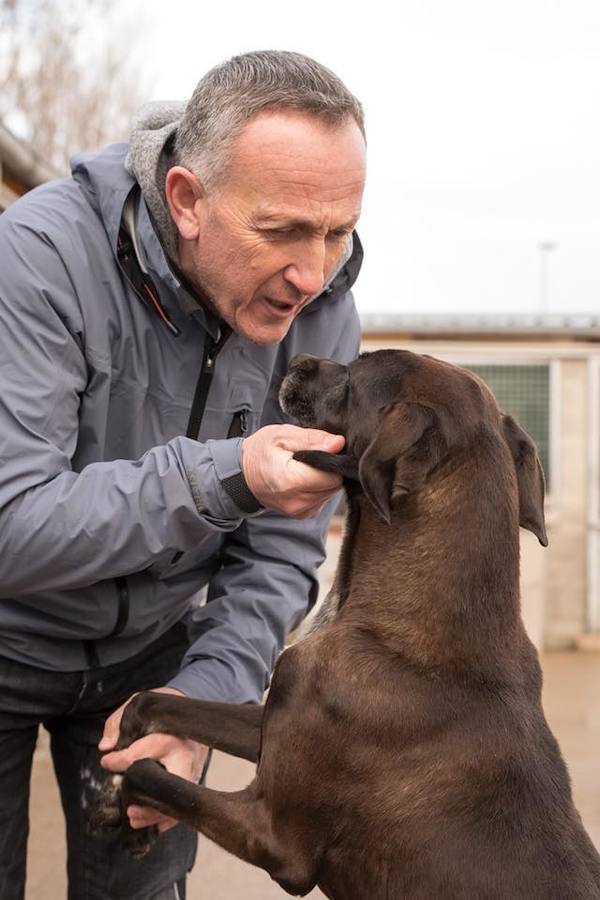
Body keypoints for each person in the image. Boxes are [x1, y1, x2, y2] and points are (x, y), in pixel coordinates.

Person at [0, 50, 366, 899]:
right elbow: (12, 525)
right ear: (188, 200)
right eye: (280, 231)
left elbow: (278, 555)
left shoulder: (323, 307)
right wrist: (228, 475)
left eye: (338, 230)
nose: (312, 275)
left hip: (153, 656)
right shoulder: (38, 259)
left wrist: (200, 703)